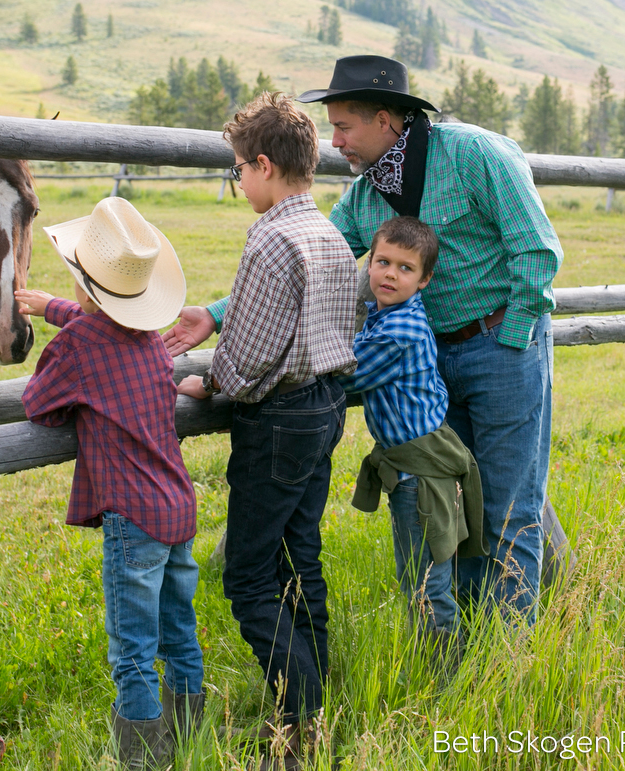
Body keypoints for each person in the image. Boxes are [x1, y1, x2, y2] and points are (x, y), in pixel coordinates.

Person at [302, 54, 563, 624]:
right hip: (432, 363)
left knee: (508, 506)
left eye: (344, 125)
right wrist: (217, 315)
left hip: (500, 343)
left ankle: (510, 654)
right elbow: (316, 261)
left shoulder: (474, 154)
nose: (336, 140)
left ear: (387, 119)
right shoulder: (369, 195)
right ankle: (469, 632)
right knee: (458, 497)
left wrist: (512, 340)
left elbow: (536, 249)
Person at [163, 92, 357, 769]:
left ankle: (297, 718)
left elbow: (251, 352)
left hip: (278, 420)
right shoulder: (329, 231)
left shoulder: (272, 237)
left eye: (240, 168)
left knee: (247, 576)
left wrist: (210, 382)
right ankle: (314, 700)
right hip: (327, 404)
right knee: (301, 556)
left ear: (266, 165)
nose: (238, 179)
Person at [13, 196, 202, 771]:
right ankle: (191, 741)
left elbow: (38, 407)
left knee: (133, 653)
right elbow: (105, 332)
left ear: (84, 283)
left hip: (133, 519)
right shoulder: (147, 338)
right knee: (178, 635)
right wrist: (54, 310)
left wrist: (57, 330)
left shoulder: (77, 348)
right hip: (177, 509)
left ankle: (143, 759)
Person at [345, 216, 485, 676]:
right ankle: (442, 668)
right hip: (416, 468)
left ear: (424, 280)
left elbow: (346, 377)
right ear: (369, 263)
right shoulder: (390, 314)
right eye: (382, 261)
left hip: (418, 479)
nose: (389, 274)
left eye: (405, 268)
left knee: (426, 585)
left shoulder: (398, 331)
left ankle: (442, 680)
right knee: (425, 578)